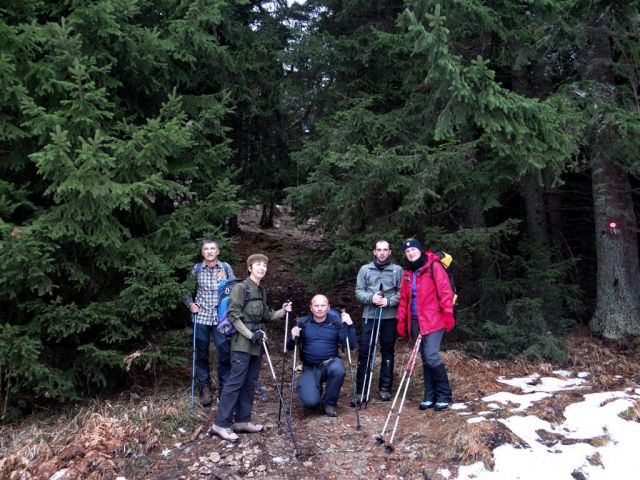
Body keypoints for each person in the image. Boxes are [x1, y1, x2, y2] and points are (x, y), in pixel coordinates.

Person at [209, 254, 292, 442]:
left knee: (249, 381)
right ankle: (220, 424)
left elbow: (267, 315)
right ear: (249, 268)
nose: (262, 268)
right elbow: (233, 315)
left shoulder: (261, 290)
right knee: (235, 382)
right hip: (242, 343)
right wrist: (250, 334)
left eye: (264, 265)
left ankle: (242, 420)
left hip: (257, 343)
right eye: (258, 265)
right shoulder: (241, 288)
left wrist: (283, 311)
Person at [396, 239, 455, 411]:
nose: (410, 253)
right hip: (415, 320)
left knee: (431, 356)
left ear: (420, 250)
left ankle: (444, 396)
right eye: (407, 251)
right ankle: (430, 396)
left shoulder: (433, 267)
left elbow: (445, 291)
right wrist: (401, 321)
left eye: (413, 249)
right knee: (424, 358)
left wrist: (448, 314)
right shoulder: (408, 273)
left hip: (434, 318)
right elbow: (404, 300)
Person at [287, 295, 356, 417]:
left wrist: (350, 326)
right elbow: (289, 347)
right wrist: (293, 336)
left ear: (328, 307)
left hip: (330, 363)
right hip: (310, 367)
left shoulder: (336, 323)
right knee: (310, 403)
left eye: (323, 305)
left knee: (338, 369)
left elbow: (351, 345)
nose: (319, 308)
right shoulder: (303, 323)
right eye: (316, 305)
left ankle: (329, 402)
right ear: (311, 308)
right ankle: (315, 390)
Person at [184, 239, 235, 407]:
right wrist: (190, 304)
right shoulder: (197, 269)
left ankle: (225, 390)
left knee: (223, 353)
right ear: (202, 253)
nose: (210, 251)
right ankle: (204, 388)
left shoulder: (226, 268)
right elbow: (186, 290)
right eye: (206, 249)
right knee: (201, 353)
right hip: (202, 317)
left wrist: (231, 307)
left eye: (213, 248)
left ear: (218, 252)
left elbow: (235, 289)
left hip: (221, 319)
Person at [354, 239, 403, 403]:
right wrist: (371, 298)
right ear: (374, 251)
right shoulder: (365, 270)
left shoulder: (397, 270)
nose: (382, 253)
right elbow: (359, 291)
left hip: (389, 317)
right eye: (379, 250)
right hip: (370, 315)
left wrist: (389, 301)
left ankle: (385, 389)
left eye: (385, 250)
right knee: (365, 351)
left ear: (390, 252)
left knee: (388, 351)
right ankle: (361, 390)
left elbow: (402, 292)